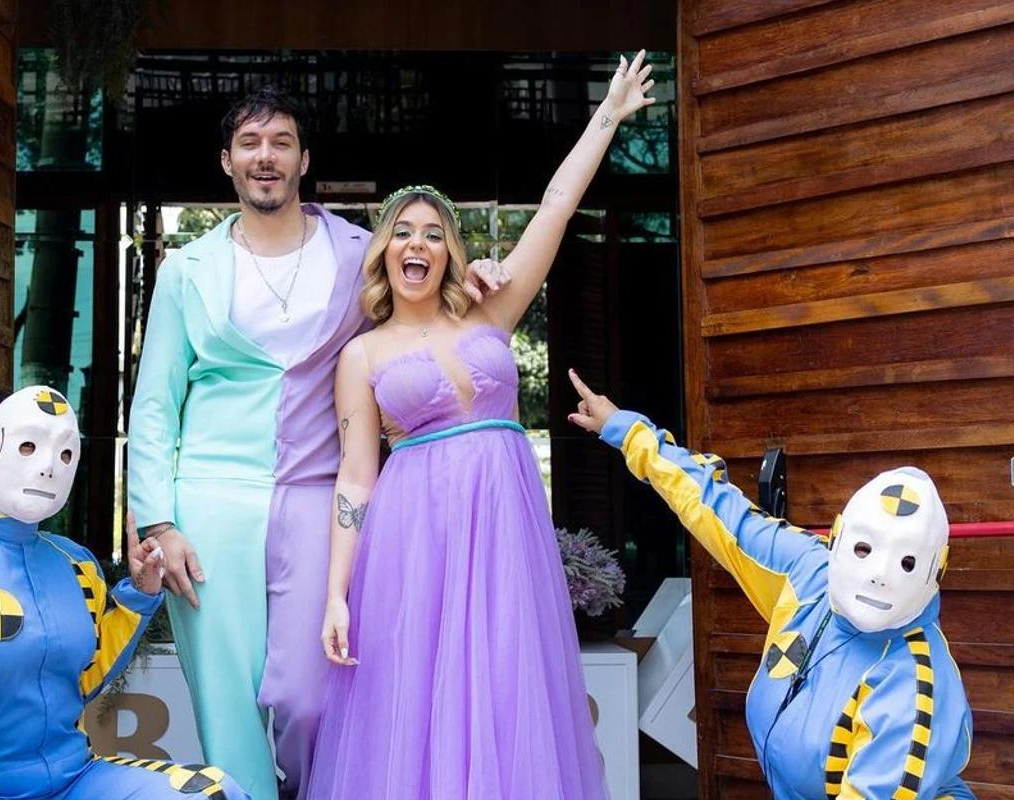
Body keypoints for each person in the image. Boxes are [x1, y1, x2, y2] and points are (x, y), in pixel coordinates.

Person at [127, 88, 507, 800]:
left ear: (304, 160)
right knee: (226, 706)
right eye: (249, 144)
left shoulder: (359, 253)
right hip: (210, 503)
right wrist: (157, 521)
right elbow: (154, 404)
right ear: (227, 161)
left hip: (317, 497)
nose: (265, 157)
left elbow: (424, 301)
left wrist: (477, 278)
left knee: (312, 697)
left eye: (280, 142)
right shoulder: (187, 270)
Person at [307, 51, 657, 799]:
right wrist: (337, 593)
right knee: (419, 706)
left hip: (502, 532)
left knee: (505, 691)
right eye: (404, 232)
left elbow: (555, 207)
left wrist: (606, 115)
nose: (418, 244)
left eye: (434, 234)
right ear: (384, 250)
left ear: (450, 253)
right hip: (415, 542)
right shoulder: (362, 355)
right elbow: (355, 480)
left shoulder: (491, 313)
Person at [567, 371, 975, 799]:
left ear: (936, 571)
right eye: (864, 549)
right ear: (837, 539)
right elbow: (715, 507)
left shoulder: (911, 687)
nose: (880, 573)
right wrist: (627, 430)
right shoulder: (809, 571)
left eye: (907, 562)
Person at [0, 386, 249, 800]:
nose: (48, 467)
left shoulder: (75, 563)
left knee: (215, 792)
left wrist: (139, 594)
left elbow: (86, 675)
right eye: (28, 446)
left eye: (65, 454)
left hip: (71, 779)